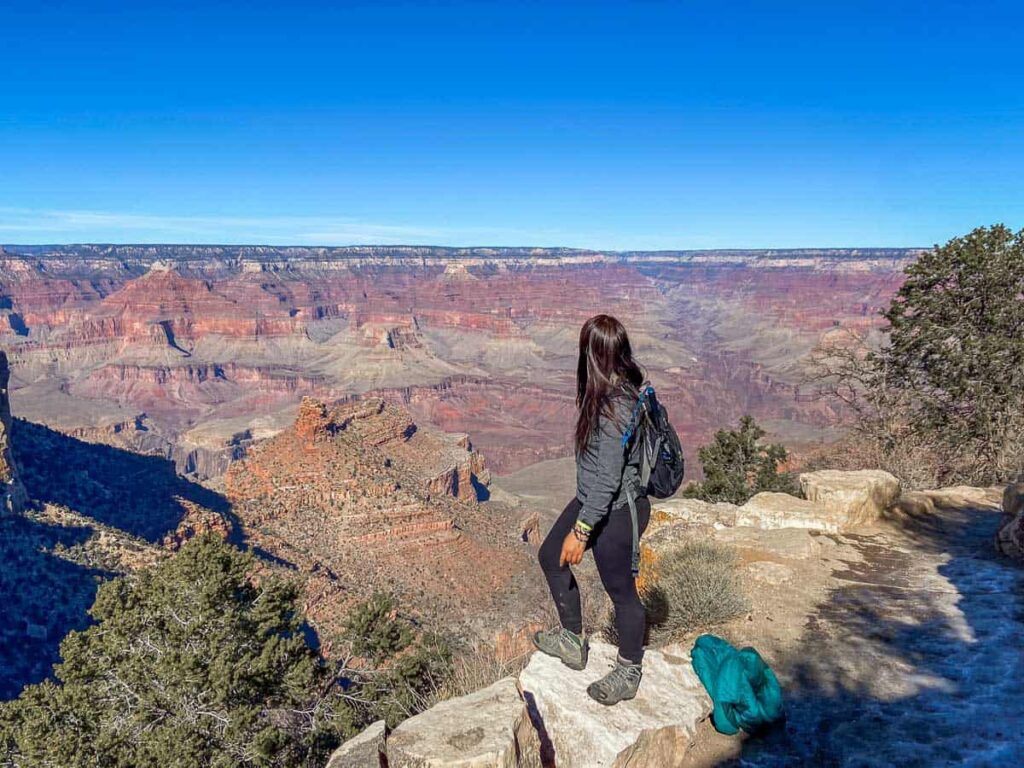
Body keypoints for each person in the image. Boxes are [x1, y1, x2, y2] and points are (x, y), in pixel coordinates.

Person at [533, 314, 651, 706]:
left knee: (621, 593)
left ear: (594, 355)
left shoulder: (616, 407)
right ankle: (572, 639)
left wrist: (581, 531)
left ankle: (629, 669)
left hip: (617, 511)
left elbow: (608, 479)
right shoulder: (605, 393)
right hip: (592, 499)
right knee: (551, 556)